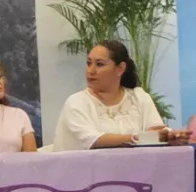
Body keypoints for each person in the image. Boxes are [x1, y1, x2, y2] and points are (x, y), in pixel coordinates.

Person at [53, 40, 189, 151]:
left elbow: (155, 132)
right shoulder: (77, 102)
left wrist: (170, 136)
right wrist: (138, 138)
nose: (91, 70)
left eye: (99, 64)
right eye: (89, 63)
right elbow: (92, 140)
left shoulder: (139, 97)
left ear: (120, 68)